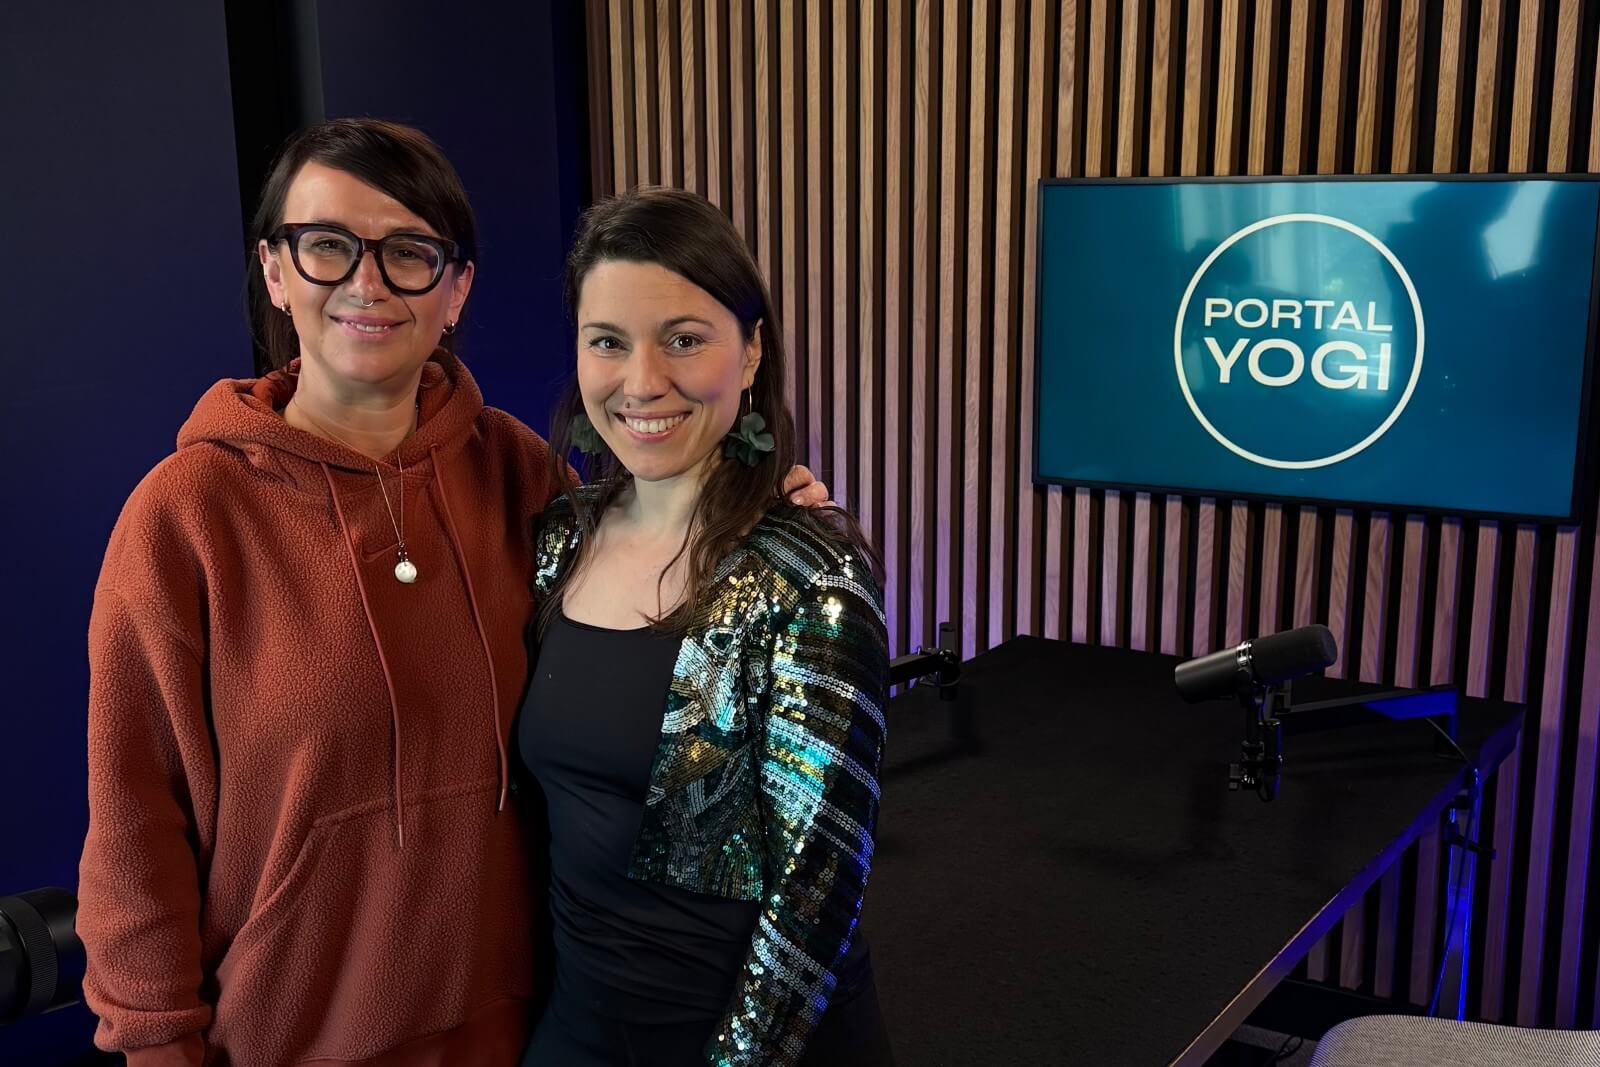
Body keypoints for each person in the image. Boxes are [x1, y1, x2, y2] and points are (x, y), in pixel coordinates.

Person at [77, 118, 825, 1067]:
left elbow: (656, 550)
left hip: (525, 1031)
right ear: (275, 272)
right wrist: (155, 1047)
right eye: (327, 245)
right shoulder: (183, 516)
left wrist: (756, 510)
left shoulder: (522, 476)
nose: (368, 282)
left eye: (409, 252)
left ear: (457, 287)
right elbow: (136, 826)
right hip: (291, 1038)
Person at [518, 186, 894, 1067]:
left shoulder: (809, 574)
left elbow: (817, 893)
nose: (643, 381)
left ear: (752, 349)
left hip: (750, 1046)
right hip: (577, 1031)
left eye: (684, 339)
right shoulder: (560, 537)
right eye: (608, 341)